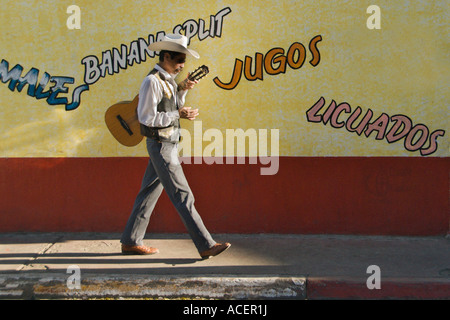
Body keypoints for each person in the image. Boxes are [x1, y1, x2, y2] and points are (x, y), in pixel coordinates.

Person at [120, 34, 230, 259]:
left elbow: (172, 105)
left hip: (166, 143)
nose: (183, 65)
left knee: (148, 193)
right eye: (180, 59)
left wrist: (184, 90)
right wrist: (178, 114)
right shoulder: (152, 81)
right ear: (166, 56)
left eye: (184, 60)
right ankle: (206, 244)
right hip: (161, 145)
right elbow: (146, 117)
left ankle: (131, 241)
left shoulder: (168, 80)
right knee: (183, 195)